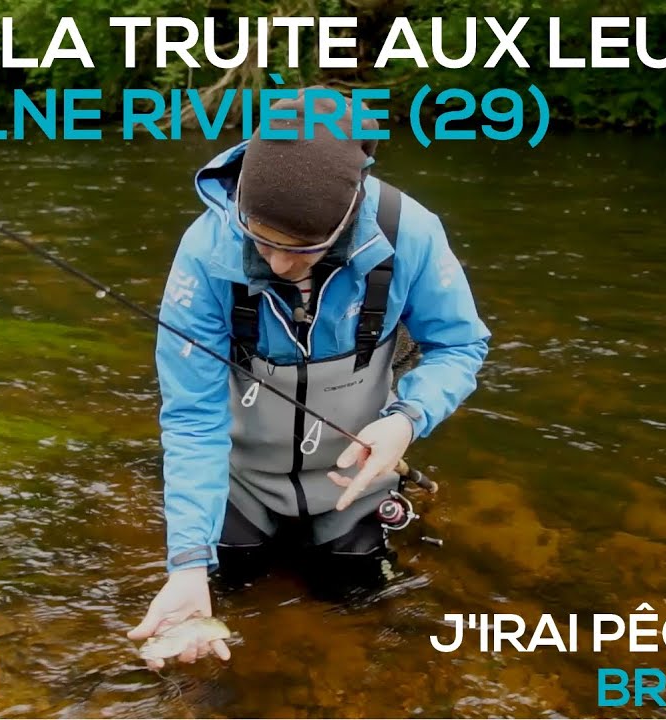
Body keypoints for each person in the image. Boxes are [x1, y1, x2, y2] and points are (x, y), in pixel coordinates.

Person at [128, 87, 491, 669]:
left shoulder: (410, 234)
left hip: (352, 488)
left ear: (348, 215)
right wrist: (187, 566)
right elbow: (193, 417)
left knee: (363, 610)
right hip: (241, 483)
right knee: (226, 594)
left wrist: (407, 420)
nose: (274, 264)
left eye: (302, 249)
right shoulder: (204, 253)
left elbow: (460, 344)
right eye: (260, 238)